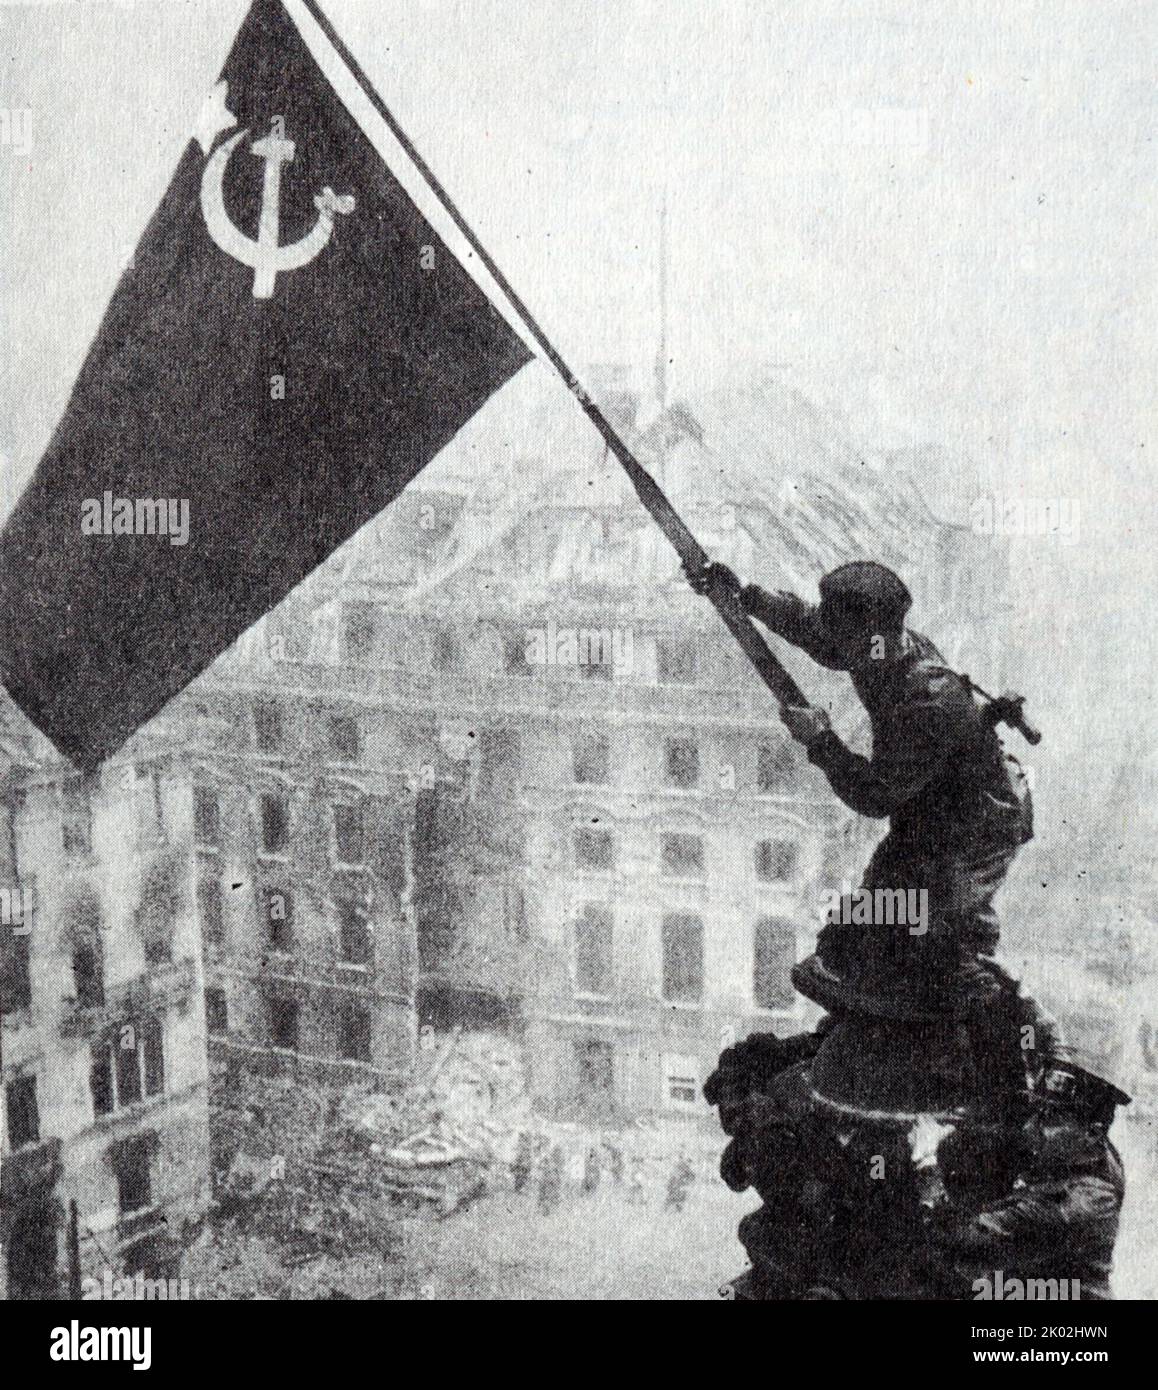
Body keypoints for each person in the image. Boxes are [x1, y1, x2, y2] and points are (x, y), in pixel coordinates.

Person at [687, 559, 1033, 1011]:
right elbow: (816, 632)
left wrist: (822, 741)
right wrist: (747, 598)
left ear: (872, 633)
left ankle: (1012, 1014)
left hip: (978, 826)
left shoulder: (926, 698)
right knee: (864, 928)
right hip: (930, 805)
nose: (835, 641)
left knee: (938, 942)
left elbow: (873, 796)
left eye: (843, 631)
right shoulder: (877, 646)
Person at [930, 1051, 1129, 1300]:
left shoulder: (1081, 1200)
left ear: (1093, 1133)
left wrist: (928, 1202)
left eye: (1049, 1119)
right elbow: (1011, 1139)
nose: (1032, 1126)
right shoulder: (1087, 1153)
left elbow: (968, 1240)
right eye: (1036, 1113)